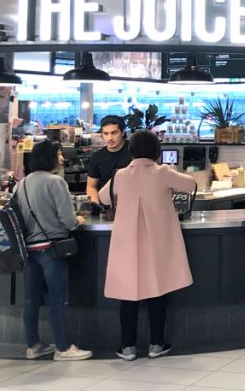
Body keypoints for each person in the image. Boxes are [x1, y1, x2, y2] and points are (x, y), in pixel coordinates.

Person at [100, 130, 196, 362]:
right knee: (158, 292)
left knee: (128, 296)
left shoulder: (120, 175)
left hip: (127, 246)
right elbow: (191, 185)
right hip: (157, 243)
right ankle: (156, 344)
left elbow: (103, 198)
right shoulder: (163, 172)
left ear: (131, 150)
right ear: (156, 150)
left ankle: (128, 347)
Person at [15, 141, 92, 361]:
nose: (62, 158)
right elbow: (68, 220)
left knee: (31, 301)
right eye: (58, 154)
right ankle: (63, 347)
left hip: (30, 249)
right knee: (58, 301)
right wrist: (78, 219)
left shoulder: (22, 183)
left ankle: (33, 345)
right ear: (49, 157)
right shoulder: (56, 182)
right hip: (53, 248)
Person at [86, 116, 131, 207]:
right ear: (101, 135)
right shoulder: (97, 157)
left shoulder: (135, 151)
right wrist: (96, 204)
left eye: (114, 133)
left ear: (122, 132)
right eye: (106, 134)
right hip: (107, 205)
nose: (110, 138)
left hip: (133, 202)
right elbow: (91, 186)